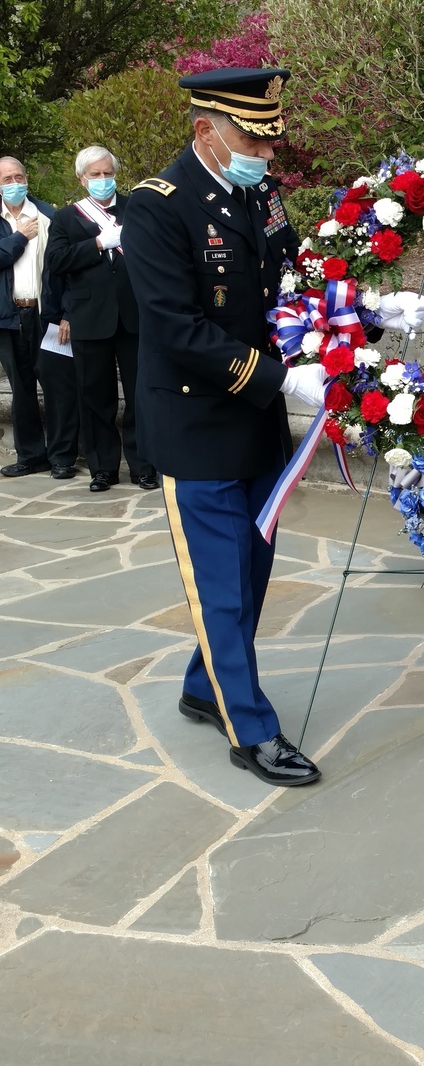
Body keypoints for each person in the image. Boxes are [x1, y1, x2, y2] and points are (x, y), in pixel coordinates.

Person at [121, 66, 328, 788]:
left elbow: (292, 279)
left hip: (255, 423)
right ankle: (252, 730)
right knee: (222, 587)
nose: (266, 156)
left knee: (253, 568)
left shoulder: (259, 193)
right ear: (205, 130)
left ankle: (202, 685)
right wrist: (280, 377)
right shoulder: (154, 208)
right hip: (196, 423)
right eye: (252, 140)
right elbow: (176, 328)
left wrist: (340, 322)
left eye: (271, 142)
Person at [45, 146, 157, 492]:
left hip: (134, 315)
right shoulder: (66, 217)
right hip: (89, 318)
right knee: (95, 396)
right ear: (82, 178)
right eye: (95, 174)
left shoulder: (135, 208)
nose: (103, 180)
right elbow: (57, 262)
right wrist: (96, 243)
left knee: (141, 394)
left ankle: (143, 466)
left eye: (107, 173)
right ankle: (103, 467)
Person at [0, 154, 79, 479]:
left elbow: (68, 271)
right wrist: (19, 237)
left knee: (58, 387)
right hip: (8, 318)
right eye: (7, 180)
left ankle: (62, 457)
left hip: (47, 316)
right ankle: (31, 456)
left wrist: (67, 314)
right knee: (20, 389)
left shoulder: (49, 215)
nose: (15, 184)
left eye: (19, 177)